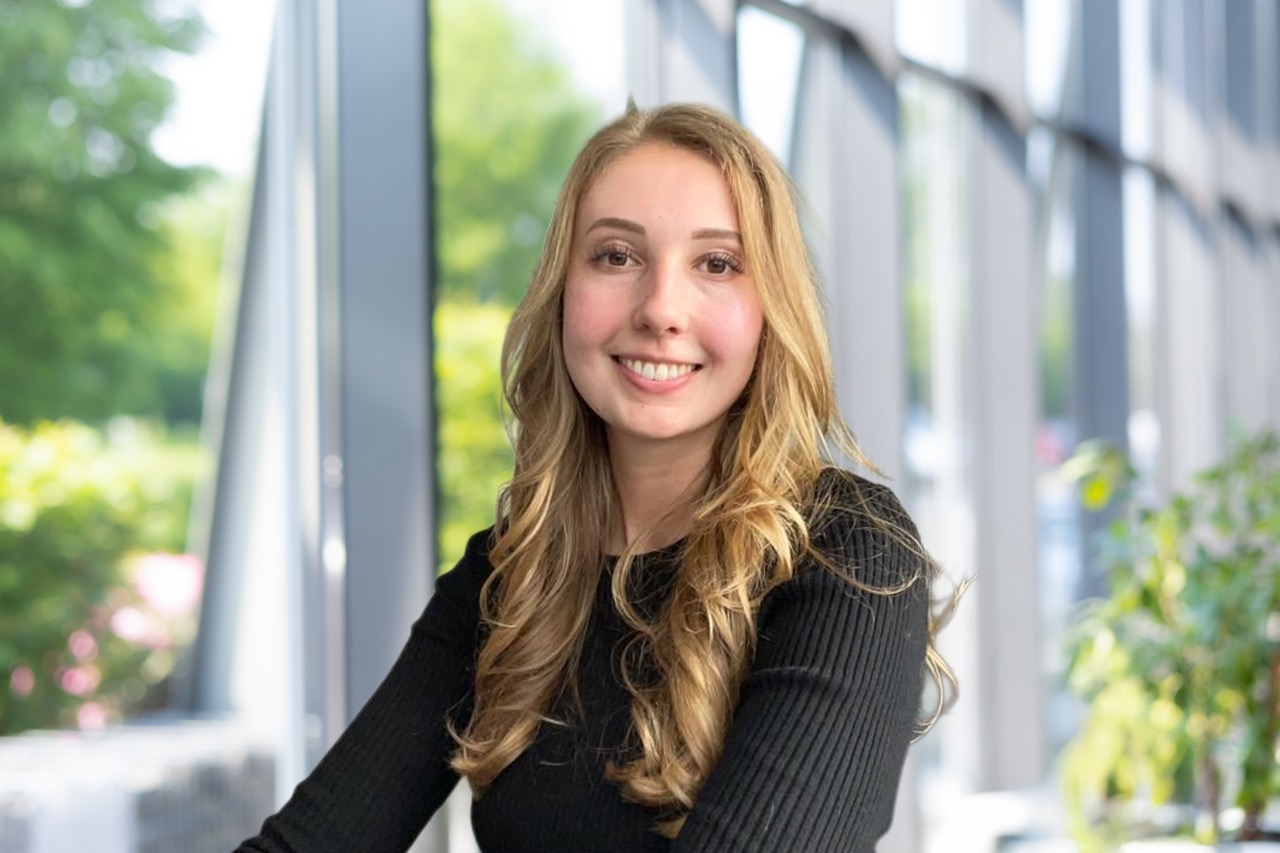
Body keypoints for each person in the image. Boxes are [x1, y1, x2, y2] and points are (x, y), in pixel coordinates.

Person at [236, 102, 953, 853]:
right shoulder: (513, 569)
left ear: (770, 308)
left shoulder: (845, 551)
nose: (660, 309)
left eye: (717, 263)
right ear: (562, 291)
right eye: (616, 256)